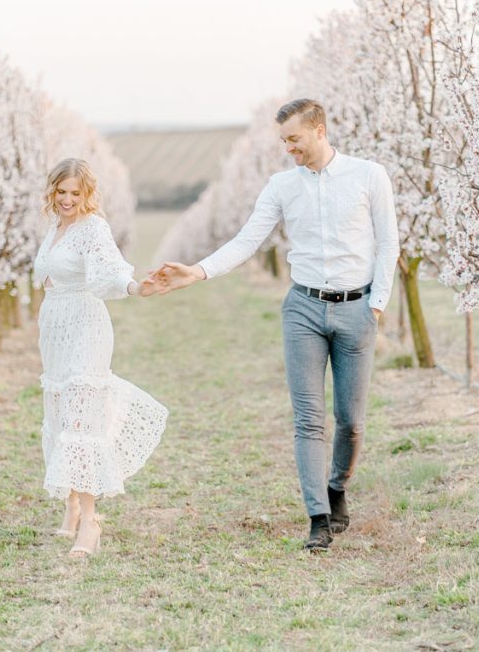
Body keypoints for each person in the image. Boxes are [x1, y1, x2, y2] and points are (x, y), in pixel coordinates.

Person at [146, 99, 399, 550]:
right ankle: (318, 516)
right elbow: (246, 240)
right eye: (283, 141)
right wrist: (198, 271)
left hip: (356, 310)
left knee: (351, 421)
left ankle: (337, 486)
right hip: (302, 308)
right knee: (308, 419)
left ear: (319, 131)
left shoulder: (368, 176)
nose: (288, 149)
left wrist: (375, 306)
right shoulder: (282, 186)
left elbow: (389, 245)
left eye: (294, 139)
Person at [32, 158, 168, 558]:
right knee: (60, 415)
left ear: (87, 194)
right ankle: (72, 505)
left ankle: (90, 522)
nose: (68, 200)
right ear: (52, 192)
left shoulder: (93, 228)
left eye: (76, 193)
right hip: (55, 327)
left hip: (85, 326)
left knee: (82, 417)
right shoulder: (54, 229)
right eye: (62, 192)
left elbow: (107, 271)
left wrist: (133, 287)